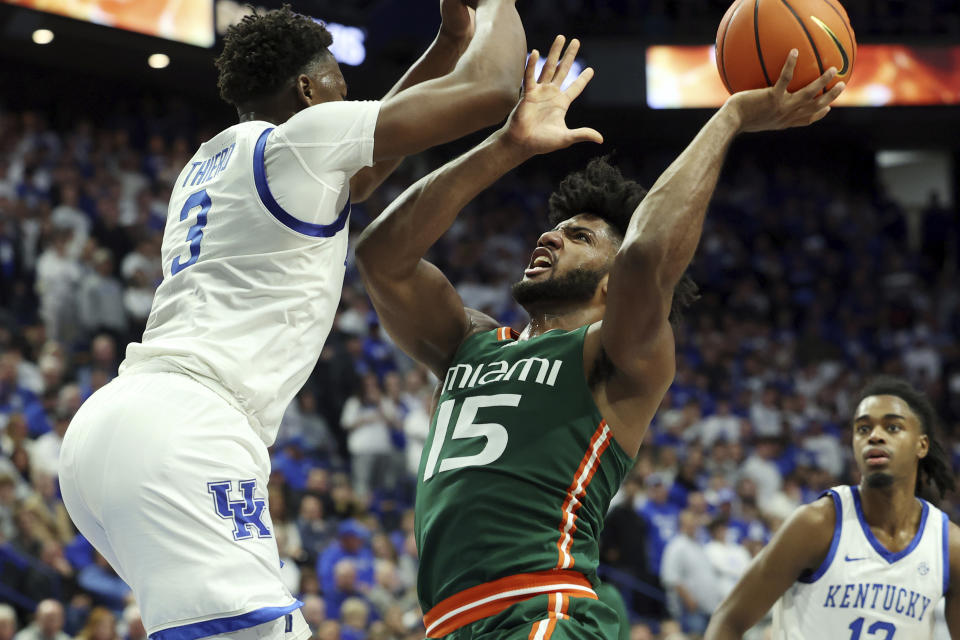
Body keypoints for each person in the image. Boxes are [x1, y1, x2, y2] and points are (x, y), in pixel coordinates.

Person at [58, 3, 527, 640]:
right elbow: (492, 91)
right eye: (337, 79)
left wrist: (448, 41)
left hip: (111, 430)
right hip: (190, 428)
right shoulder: (298, 143)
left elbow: (359, 178)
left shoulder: (216, 158)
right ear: (308, 90)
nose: (347, 94)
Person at [355, 37, 843, 639]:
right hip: (448, 623)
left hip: (544, 609)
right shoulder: (470, 343)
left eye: (579, 237)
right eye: (555, 229)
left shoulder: (618, 356)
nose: (551, 237)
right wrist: (508, 145)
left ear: (612, 284)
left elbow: (647, 254)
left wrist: (732, 116)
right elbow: (381, 257)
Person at [705, 376, 960, 639]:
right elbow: (728, 620)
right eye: (863, 429)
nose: (875, 436)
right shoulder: (816, 524)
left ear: (922, 445)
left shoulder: (949, 547)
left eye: (892, 427)